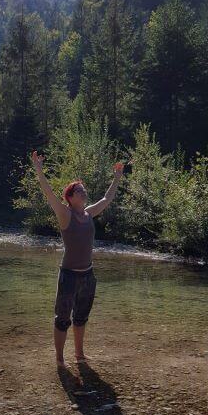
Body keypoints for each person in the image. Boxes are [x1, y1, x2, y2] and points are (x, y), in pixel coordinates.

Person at [31, 150, 125, 369]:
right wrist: (38, 169)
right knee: (62, 319)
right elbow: (49, 195)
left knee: (81, 317)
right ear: (70, 197)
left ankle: (80, 355)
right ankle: (60, 359)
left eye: (84, 190)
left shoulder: (89, 214)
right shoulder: (66, 214)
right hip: (69, 277)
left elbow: (107, 199)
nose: (84, 193)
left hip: (88, 275)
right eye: (79, 191)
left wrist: (117, 178)